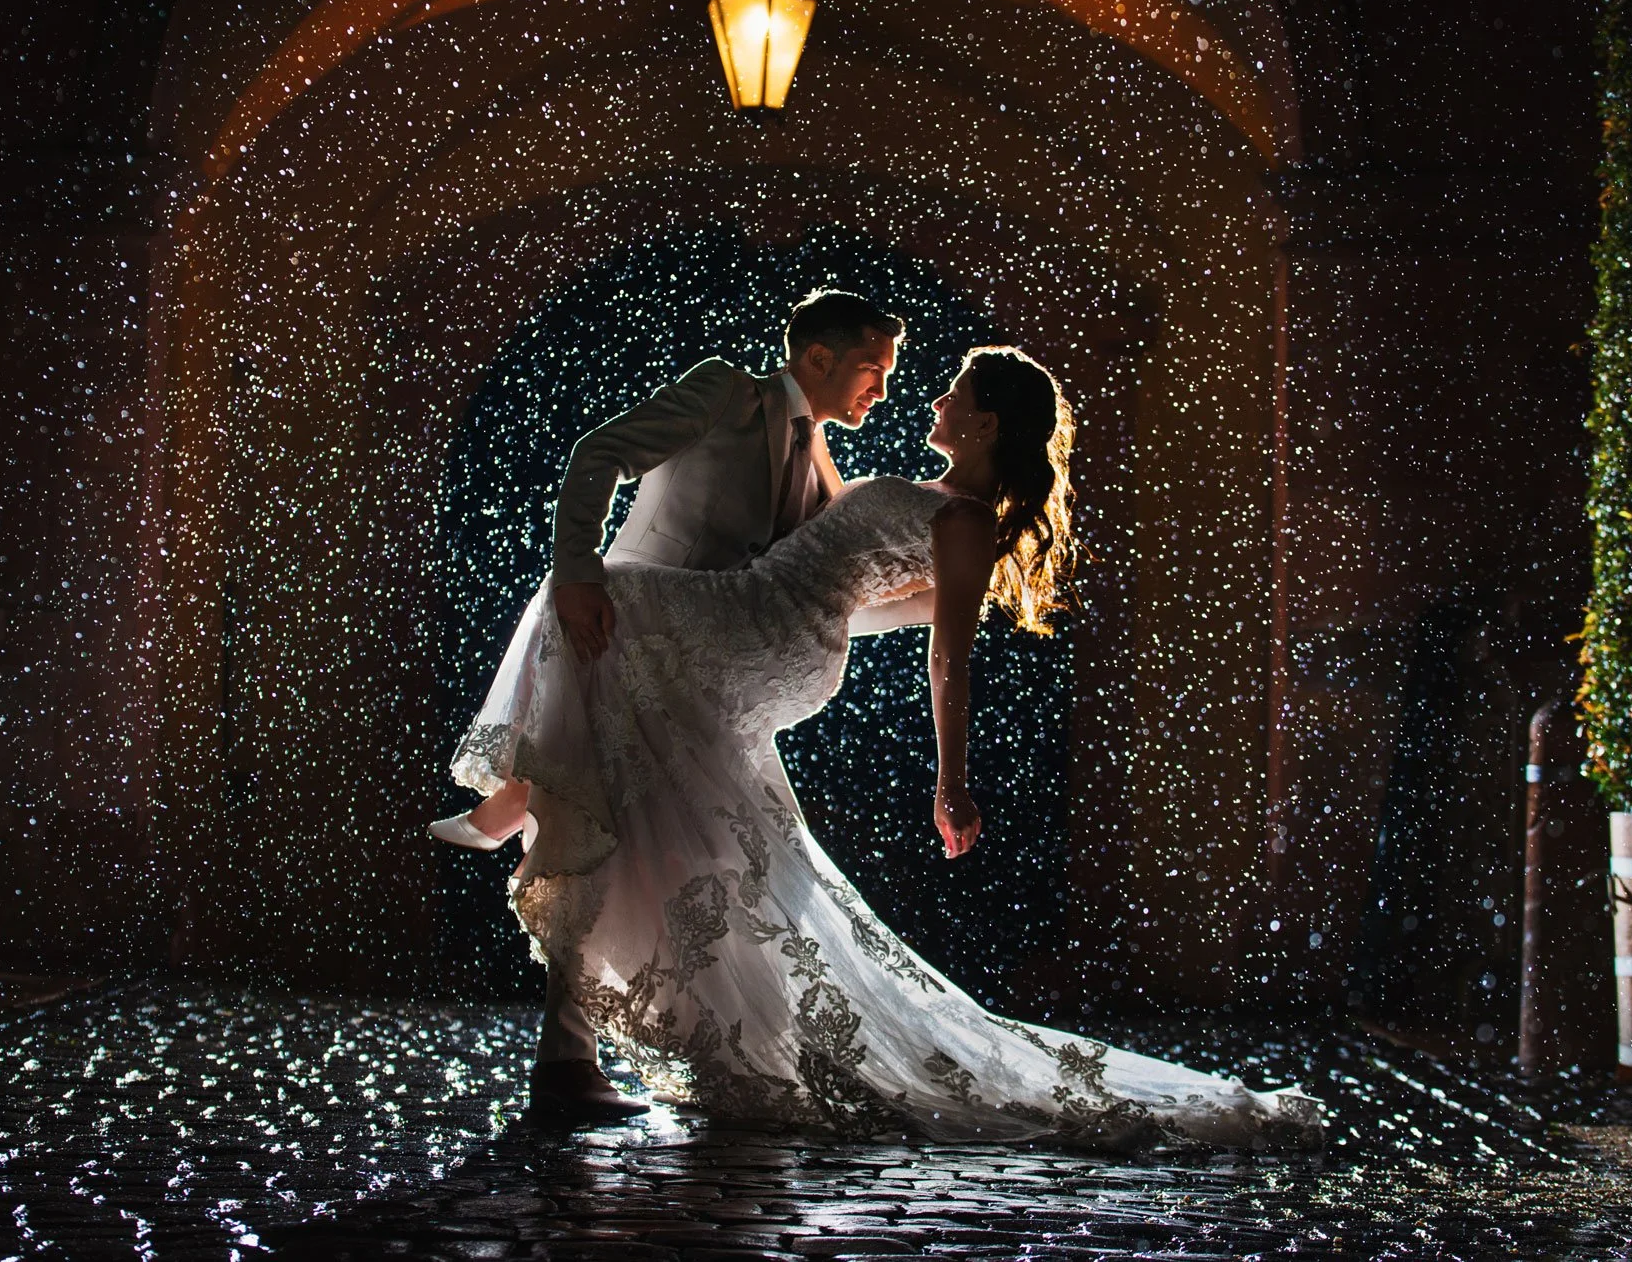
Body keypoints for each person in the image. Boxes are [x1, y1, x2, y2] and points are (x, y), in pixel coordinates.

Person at [439, 338, 1322, 1147]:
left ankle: (520, 790)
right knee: (623, 708)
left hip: (767, 630)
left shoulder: (966, 521)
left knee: (604, 589)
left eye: (953, 392)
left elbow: (947, 653)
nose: (931, 399)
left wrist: (952, 781)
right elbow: (868, 598)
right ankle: (543, 846)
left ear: (984, 423)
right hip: (774, 620)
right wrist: (819, 609)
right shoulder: (930, 499)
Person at [432, 287, 906, 1119]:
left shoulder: (822, 462)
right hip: (621, 637)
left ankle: (688, 1056)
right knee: (605, 845)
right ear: (817, 357)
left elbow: (811, 592)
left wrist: (949, 595)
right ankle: (571, 1064)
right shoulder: (728, 392)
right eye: (873, 368)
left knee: (705, 869)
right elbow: (599, 453)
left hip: (702, 684)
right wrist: (577, 573)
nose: (882, 389)